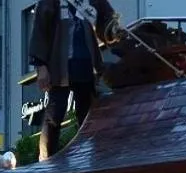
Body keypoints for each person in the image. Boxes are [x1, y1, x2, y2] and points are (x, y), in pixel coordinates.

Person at [28, 0, 119, 160]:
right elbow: (40, 31)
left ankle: (91, 157)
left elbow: (108, 22)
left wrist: (115, 30)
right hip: (59, 64)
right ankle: (47, 160)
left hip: (86, 62)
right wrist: (40, 66)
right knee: (55, 115)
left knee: (88, 115)